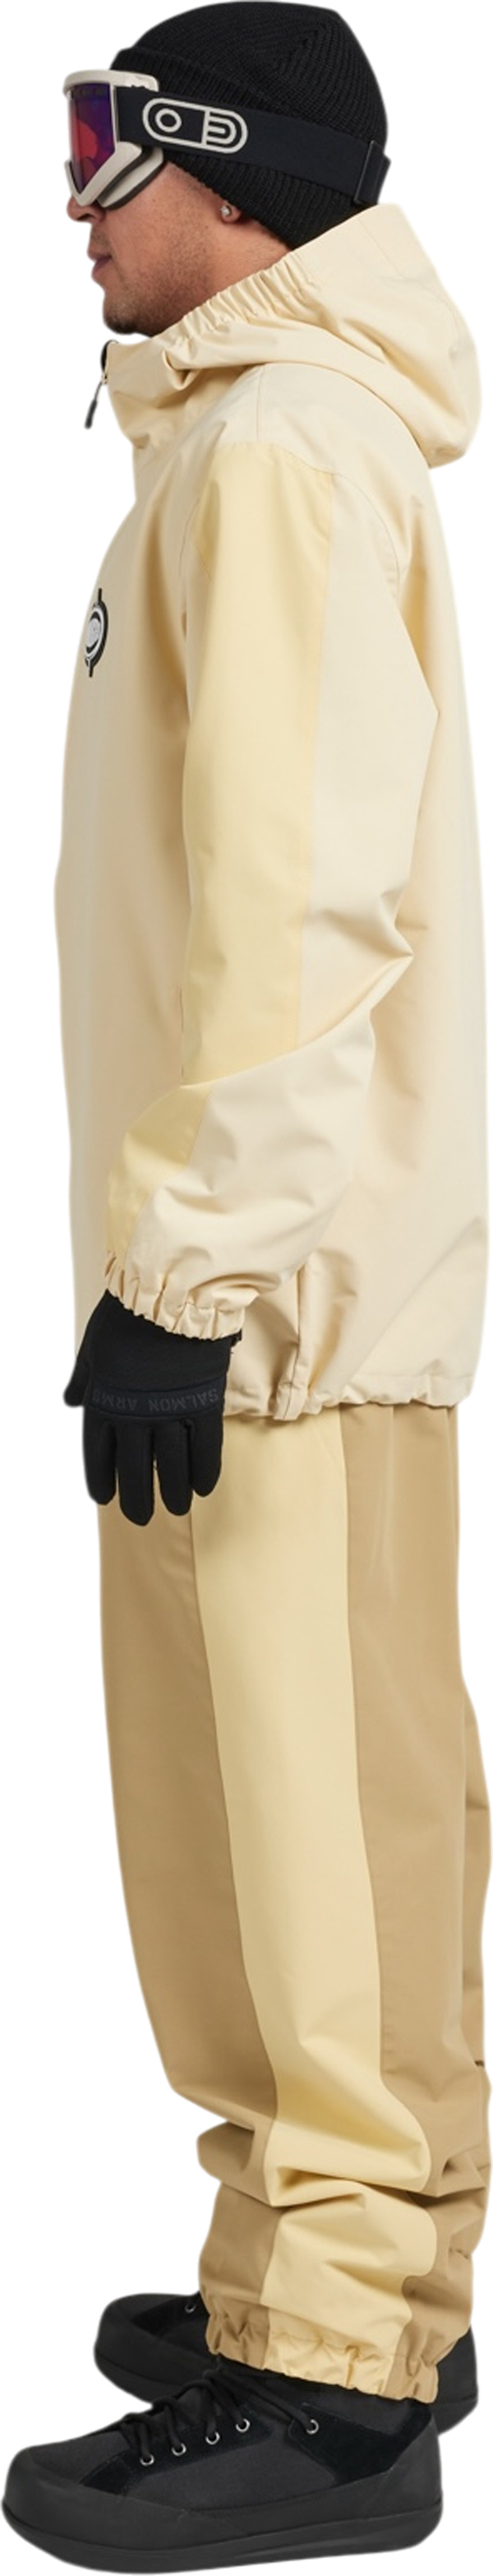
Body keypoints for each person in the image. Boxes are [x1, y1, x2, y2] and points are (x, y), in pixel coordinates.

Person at [3, 2, 490, 2562]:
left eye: (115, 147)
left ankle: (348, 2375)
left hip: (274, 1291)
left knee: (315, 1836)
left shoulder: (284, 448)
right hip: (227, 1270)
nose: (75, 195)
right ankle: (313, 2274)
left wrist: (192, 1268)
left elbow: (310, 898)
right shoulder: (227, 445)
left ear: (233, 179)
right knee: (249, 1833)